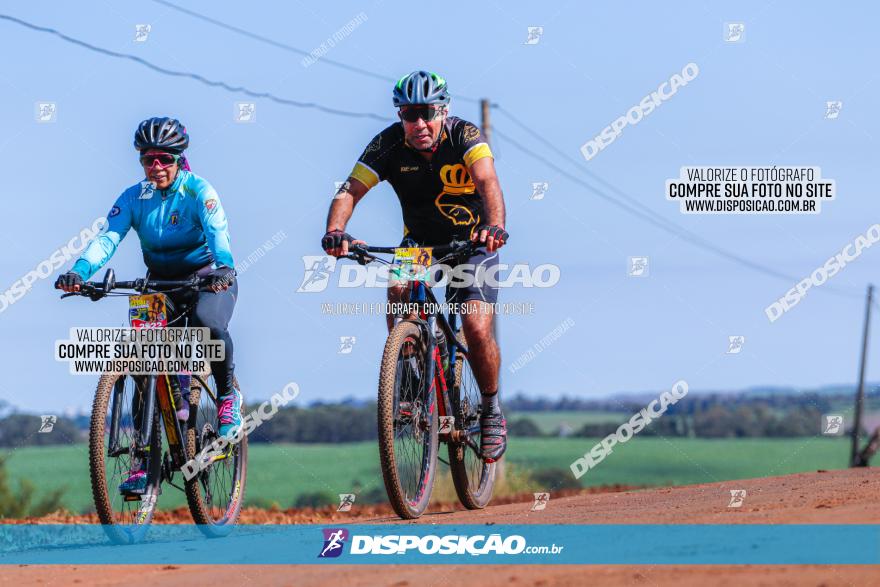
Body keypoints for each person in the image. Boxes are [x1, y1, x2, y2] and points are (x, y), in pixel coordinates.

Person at [321, 71, 510, 462]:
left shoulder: (465, 136)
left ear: (443, 111)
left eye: (426, 113)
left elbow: (488, 182)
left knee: (475, 327)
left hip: (472, 242)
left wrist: (495, 226)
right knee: (397, 290)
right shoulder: (389, 143)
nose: (419, 124)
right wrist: (336, 230)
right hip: (421, 244)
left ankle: (490, 410)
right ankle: (408, 379)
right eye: (409, 114)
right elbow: (349, 190)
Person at [54, 117, 242, 492]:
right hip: (159, 284)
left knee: (208, 323)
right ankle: (143, 463)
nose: (155, 166)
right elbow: (108, 237)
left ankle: (227, 397)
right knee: (144, 366)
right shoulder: (132, 198)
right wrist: (79, 271)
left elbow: (218, 234)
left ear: (178, 159)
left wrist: (223, 268)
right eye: (147, 159)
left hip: (206, 277)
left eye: (163, 159)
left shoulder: (198, 191)